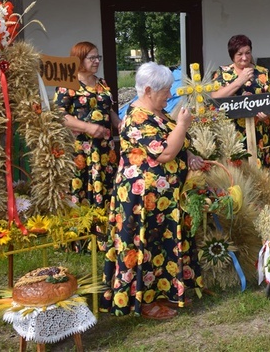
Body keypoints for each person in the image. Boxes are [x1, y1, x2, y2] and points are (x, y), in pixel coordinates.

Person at [101, 62, 206, 320]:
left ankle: (166, 293)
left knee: (162, 248)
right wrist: (182, 125)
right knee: (145, 248)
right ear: (148, 90)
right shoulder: (136, 118)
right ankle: (144, 302)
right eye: (166, 91)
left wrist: (189, 153)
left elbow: (176, 144)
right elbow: (164, 152)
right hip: (141, 200)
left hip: (163, 199)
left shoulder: (158, 113)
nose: (169, 96)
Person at [211, 35, 270, 208]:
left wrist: (267, 115)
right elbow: (215, 99)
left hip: (261, 135)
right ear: (232, 54)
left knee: (265, 174)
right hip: (235, 136)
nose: (244, 58)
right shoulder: (222, 74)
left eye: (248, 53)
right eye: (240, 54)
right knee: (238, 174)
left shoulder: (262, 74)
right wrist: (239, 81)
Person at [53, 41, 119, 211]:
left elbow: (107, 108)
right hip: (81, 150)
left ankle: (104, 232)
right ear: (79, 59)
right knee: (81, 192)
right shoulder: (68, 83)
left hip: (105, 149)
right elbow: (59, 115)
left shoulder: (102, 82)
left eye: (98, 57)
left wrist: (120, 123)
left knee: (107, 190)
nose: (97, 61)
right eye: (92, 58)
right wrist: (87, 127)